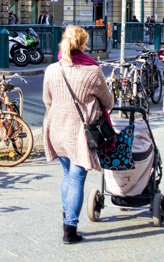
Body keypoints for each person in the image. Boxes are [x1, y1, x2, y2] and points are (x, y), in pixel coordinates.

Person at [43, 25, 114, 244]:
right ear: (83, 45)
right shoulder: (92, 72)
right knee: (76, 178)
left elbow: (48, 101)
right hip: (80, 133)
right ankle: (70, 229)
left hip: (56, 129)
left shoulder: (52, 69)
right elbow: (108, 102)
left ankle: (67, 218)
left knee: (68, 175)